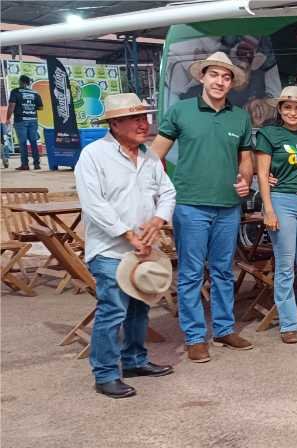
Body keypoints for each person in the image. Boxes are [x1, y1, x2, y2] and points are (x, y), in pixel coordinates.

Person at [150, 52, 255, 363]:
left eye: (226, 77)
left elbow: (245, 159)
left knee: (224, 271)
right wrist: (156, 195)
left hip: (227, 206)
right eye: (215, 75)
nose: (220, 81)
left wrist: (245, 180)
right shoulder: (180, 111)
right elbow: (156, 155)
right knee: (192, 274)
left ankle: (223, 329)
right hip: (190, 204)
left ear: (232, 83)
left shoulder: (240, 117)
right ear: (202, 78)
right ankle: (195, 337)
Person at [75, 93, 177, 398]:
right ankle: (105, 373)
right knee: (113, 310)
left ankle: (134, 360)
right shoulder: (93, 155)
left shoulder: (148, 156)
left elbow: (168, 192)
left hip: (143, 249)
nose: (143, 124)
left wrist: (158, 220)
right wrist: (128, 234)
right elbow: (94, 204)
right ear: (115, 123)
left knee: (139, 308)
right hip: (110, 249)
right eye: (136, 119)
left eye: (144, 118)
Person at [255, 86, 297, 344]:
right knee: (285, 265)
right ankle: (289, 323)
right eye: (288, 107)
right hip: (281, 201)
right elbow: (262, 173)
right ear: (280, 109)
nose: (293, 112)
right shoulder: (269, 134)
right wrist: (268, 208)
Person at [7, 75, 43, 171]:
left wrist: (7, 119)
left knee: (22, 143)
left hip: (20, 121)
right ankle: (36, 164)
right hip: (33, 120)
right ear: (28, 83)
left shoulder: (15, 91)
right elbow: (40, 107)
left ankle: (25, 165)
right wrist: (30, 106)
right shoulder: (35, 93)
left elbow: (11, 106)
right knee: (33, 142)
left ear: (21, 82)